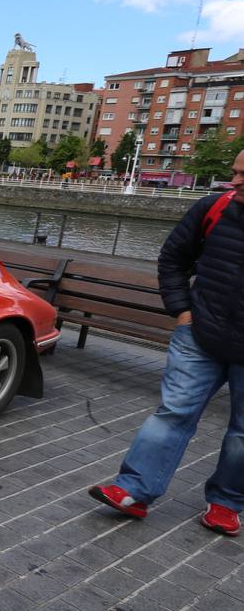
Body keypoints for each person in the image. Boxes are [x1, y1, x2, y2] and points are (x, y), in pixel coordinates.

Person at [90, 150, 244, 538]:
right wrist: (182, 312)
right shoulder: (214, 208)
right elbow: (173, 258)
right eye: (236, 171)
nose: (234, 180)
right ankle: (134, 490)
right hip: (201, 334)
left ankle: (227, 502)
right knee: (173, 413)